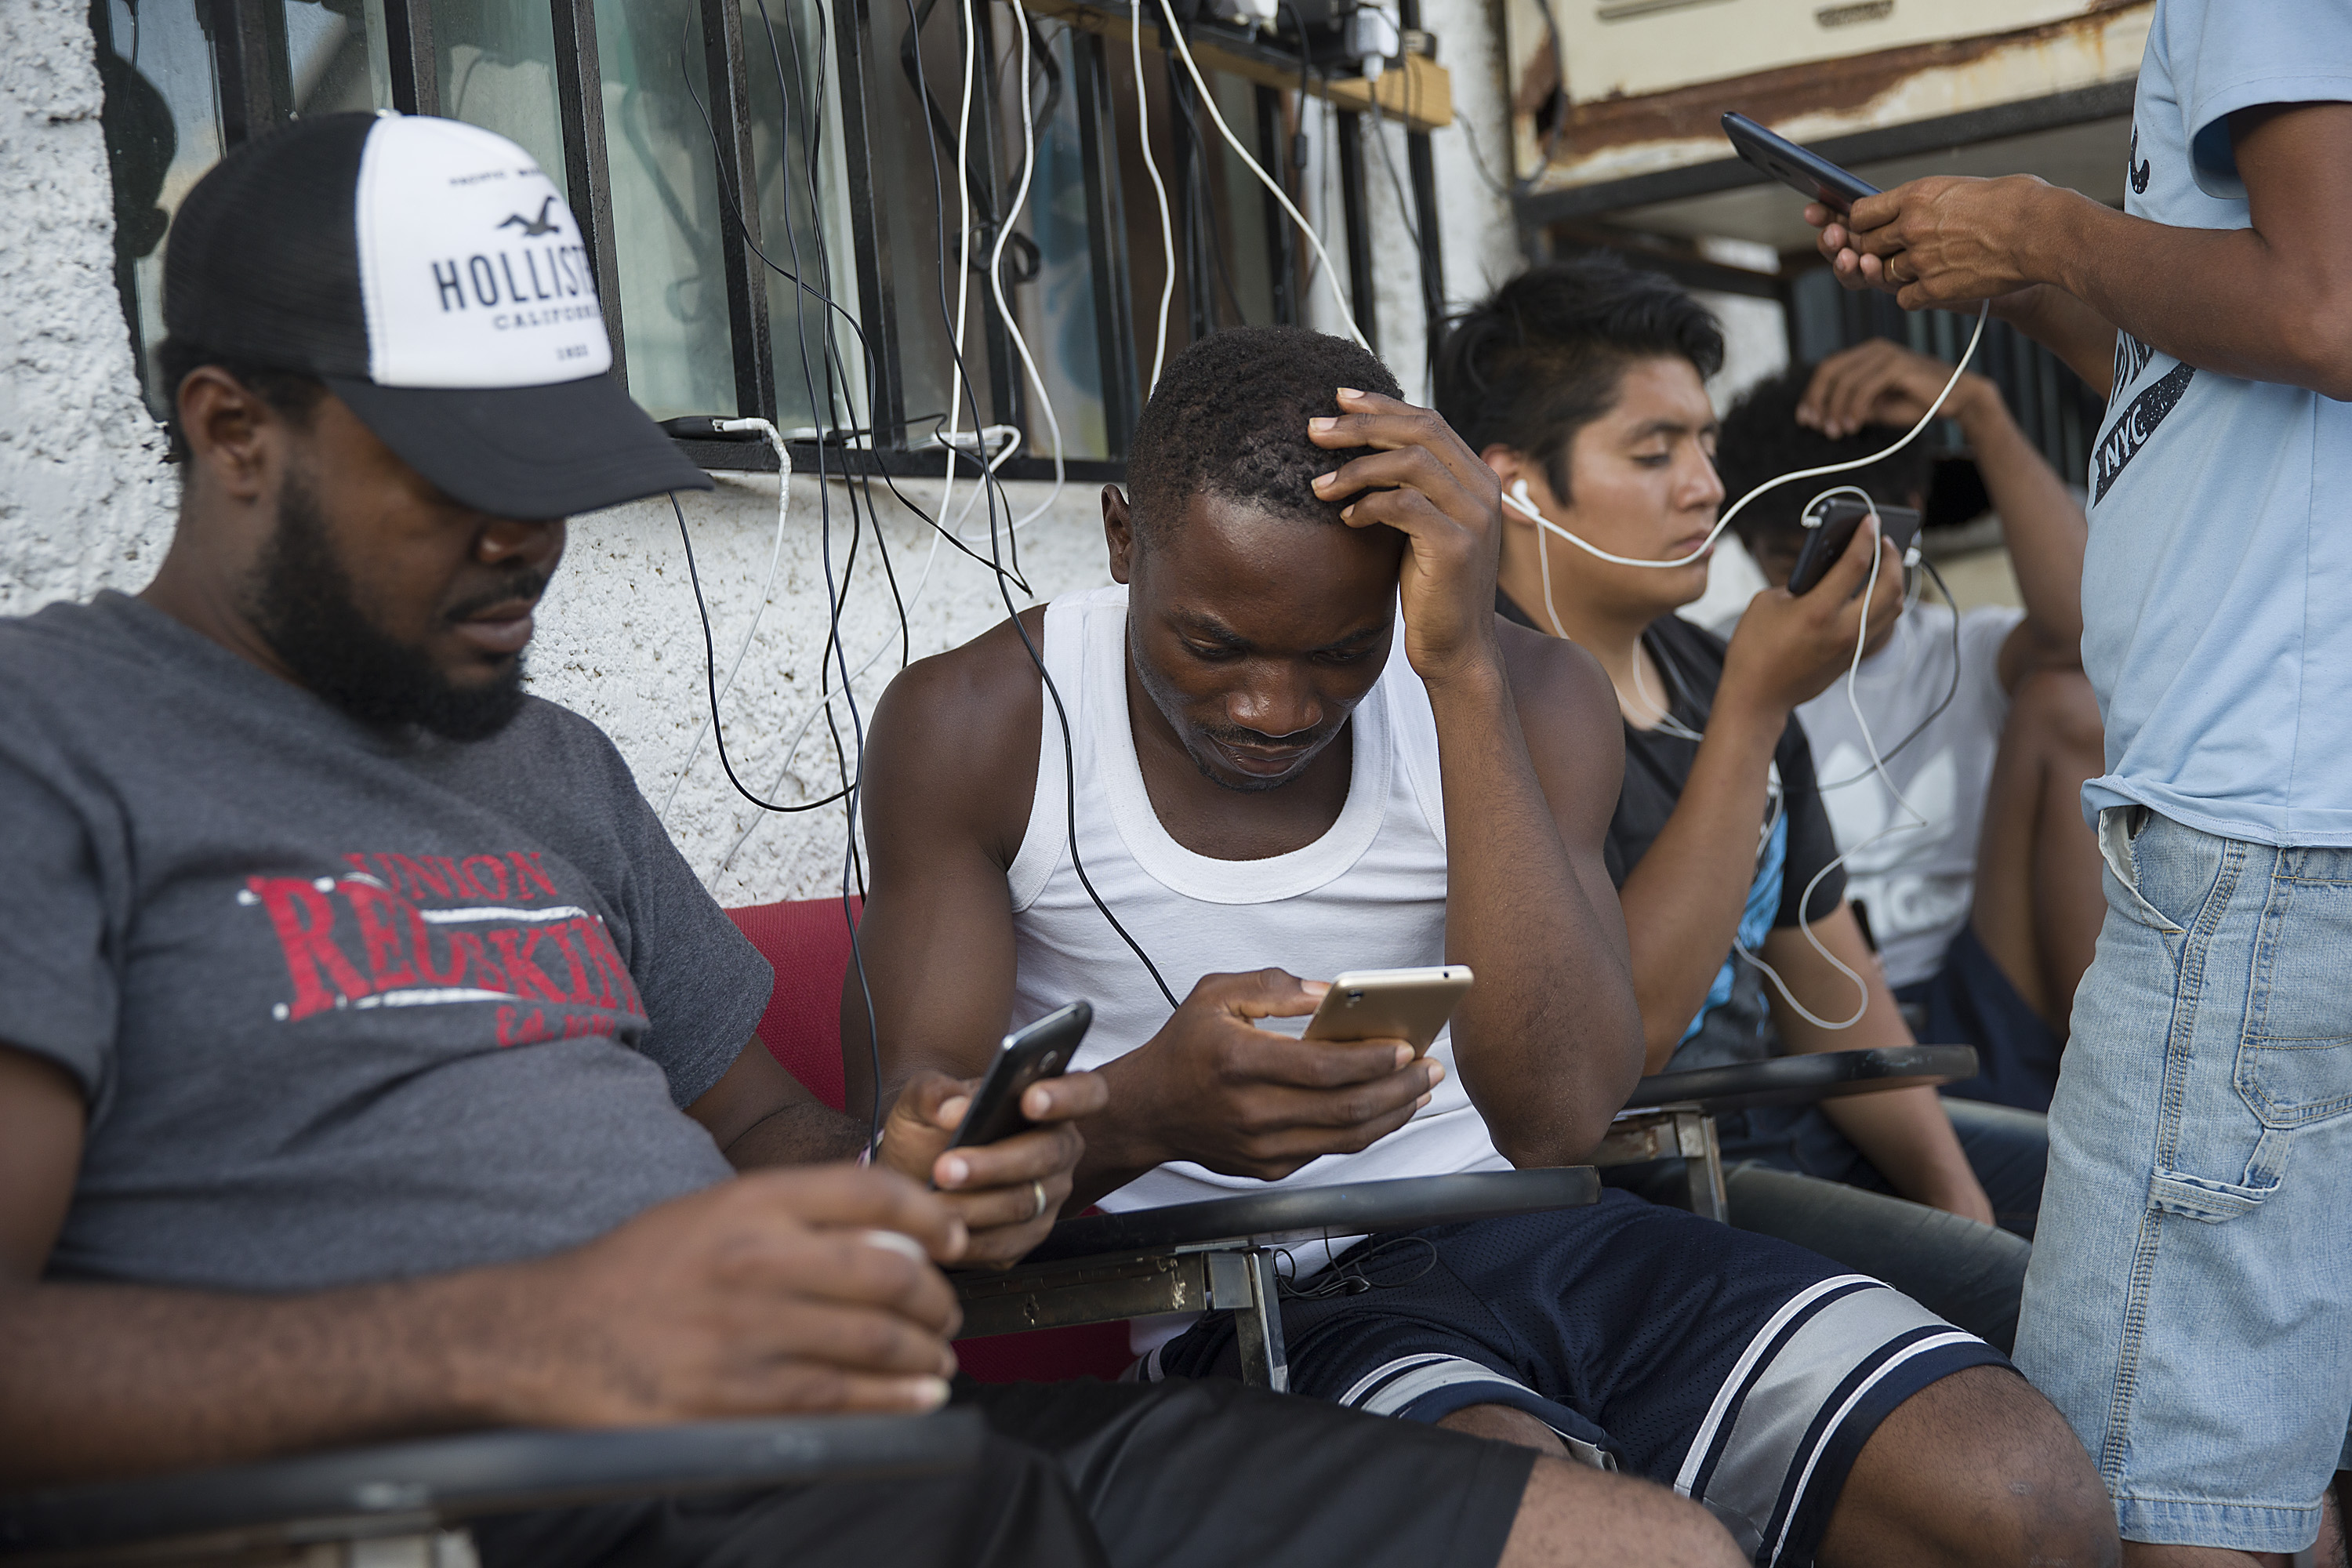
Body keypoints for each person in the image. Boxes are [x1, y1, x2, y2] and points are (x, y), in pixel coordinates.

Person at [0, 111, 1744, 1568]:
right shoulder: (56, 745)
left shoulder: (547, 765)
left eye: (552, 477)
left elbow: (811, 1158)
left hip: (864, 1464)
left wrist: (1016, 1147)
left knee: (1644, 1550)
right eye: (463, 480)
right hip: (488, 1505)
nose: (527, 543)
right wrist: (542, 1330)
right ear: (235, 429)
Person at [851, 321, 2117, 1568]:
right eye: (1212, 645)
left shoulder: (1532, 686)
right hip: (1260, 1298)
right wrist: (1149, 1113)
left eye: (1341, 653)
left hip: (1554, 1232)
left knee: (2026, 1498)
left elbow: (1562, 1115)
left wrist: (1455, 669)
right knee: (1592, 1526)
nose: (1272, 707)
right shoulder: (980, 722)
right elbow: (919, 1158)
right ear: (1124, 537)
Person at [1807, 2, 2352, 1560]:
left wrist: (2048, 226)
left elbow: (2323, 314)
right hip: (2289, 817)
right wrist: (2037, 281)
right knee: (2255, 1440)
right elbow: (2226, 376)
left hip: (2260, 826)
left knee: (2148, 1484)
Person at [1433, 260, 2048, 1333]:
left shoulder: (1716, 668)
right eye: (1654, 450)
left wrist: (1956, 1192)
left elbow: (1836, 976)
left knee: (2152, 1210)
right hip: (1655, 1175)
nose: (1707, 487)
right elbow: (1624, 1044)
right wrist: (1755, 713)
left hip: (1795, 1122)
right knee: (2045, 1299)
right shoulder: (1483, 696)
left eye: (1705, 444)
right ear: (1518, 483)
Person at [1712, 339, 2105, 1113]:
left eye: (1842, 555)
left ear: (1908, 518)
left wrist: (1981, 414)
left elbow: (2089, 635)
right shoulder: (1718, 660)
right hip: (1812, 1005)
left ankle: (2121, 1096)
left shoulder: (1966, 647)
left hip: (1979, 984)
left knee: (2067, 701)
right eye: (1789, 559)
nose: (1822, 587)